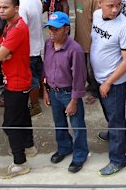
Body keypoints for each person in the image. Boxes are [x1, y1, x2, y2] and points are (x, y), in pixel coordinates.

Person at [91, 0, 126, 176]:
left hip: (114, 83)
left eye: (118, 5)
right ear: (100, 4)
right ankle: (111, 133)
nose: (115, 10)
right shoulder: (96, 15)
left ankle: (118, 160)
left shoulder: (124, 27)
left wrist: (108, 82)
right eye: (111, 6)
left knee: (117, 119)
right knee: (109, 111)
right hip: (98, 76)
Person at [0, 0, 35, 179]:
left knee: (11, 124)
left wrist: (2, 53)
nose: (1, 11)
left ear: (16, 8)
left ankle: (20, 162)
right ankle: (29, 145)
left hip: (17, 82)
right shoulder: (9, 25)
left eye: (5, 7)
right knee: (22, 115)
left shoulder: (17, 28)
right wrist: (2, 52)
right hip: (13, 79)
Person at [42, 12, 88, 174]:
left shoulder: (75, 50)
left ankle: (80, 155)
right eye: (50, 29)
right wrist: (45, 91)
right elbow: (45, 69)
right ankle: (64, 147)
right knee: (59, 123)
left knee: (77, 126)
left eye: (56, 29)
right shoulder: (48, 44)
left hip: (69, 93)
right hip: (53, 92)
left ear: (66, 29)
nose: (52, 32)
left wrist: (74, 100)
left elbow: (79, 78)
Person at [8, 0, 45, 117]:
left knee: (31, 79)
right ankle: (42, 96)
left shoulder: (22, 5)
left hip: (27, 49)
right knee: (37, 73)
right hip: (35, 45)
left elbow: (19, 30)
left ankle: (35, 105)